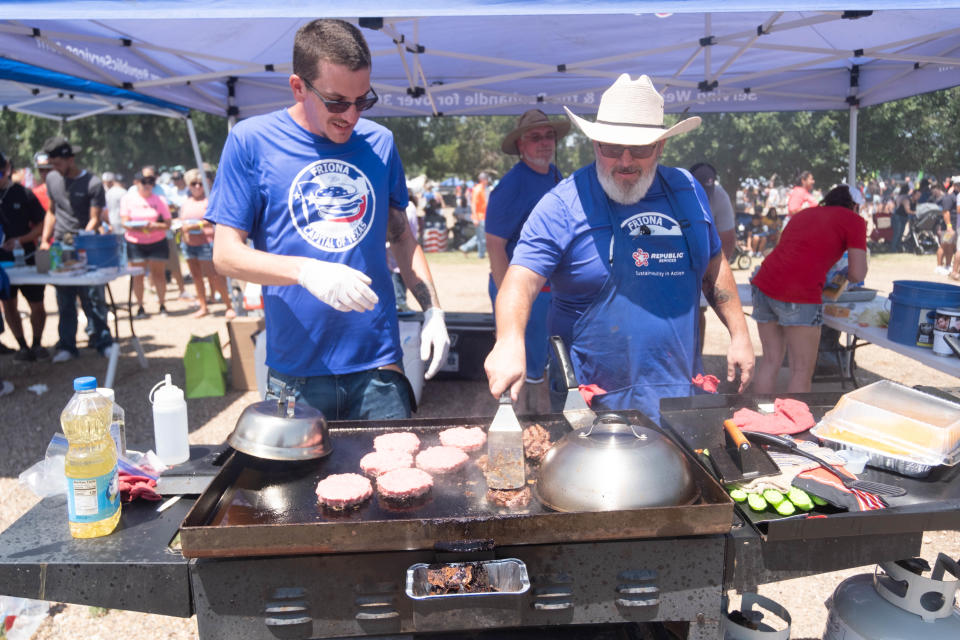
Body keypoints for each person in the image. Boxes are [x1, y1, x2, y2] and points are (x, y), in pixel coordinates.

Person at [207, 18, 450, 420]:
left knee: (394, 481)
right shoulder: (251, 141)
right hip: (297, 374)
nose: (351, 116)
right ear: (298, 87)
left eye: (363, 101)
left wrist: (433, 310)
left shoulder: (379, 144)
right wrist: (306, 271)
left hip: (378, 368)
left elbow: (402, 237)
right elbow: (225, 255)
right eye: (337, 102)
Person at [484, 74, 754, 423]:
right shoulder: (563, 204)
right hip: (591, 403)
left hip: (678, 395)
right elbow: (520, 280)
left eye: (639, 149)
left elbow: (714, 265)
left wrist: (740, 333)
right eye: (612, 148)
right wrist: (508, 340)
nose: (625, 161)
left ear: (660, 146)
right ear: (596, 144)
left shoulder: (687, 190)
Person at [485, 109, 570, 412]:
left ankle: (540, 423)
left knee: (545, 365)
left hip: (549, 294)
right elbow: (495, 245)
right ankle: (526, 428)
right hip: (524, 295)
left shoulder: (554, 175)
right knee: (523, 369)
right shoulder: (512, 185)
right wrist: (507, 298)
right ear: (521, 145)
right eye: (535, 137)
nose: (544, 142)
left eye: (549, 136)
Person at [750, 185, 867, 394]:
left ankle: (759, 415)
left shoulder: (805, 214)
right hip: (799, 293)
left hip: (765, 283)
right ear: (855, 206)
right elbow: (858, 274)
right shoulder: (854, 220)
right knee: (801, 370)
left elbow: (790, 249)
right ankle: (795, 424)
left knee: (770, 360)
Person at [38, 136, 113, 362]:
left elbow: (95, 219)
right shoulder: (51, 178)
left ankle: (102, 340)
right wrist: (45, 240)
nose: (54, 169)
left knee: (94, 296)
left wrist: (81, 238)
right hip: (60, 246)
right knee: (64, 297)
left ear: (70, 159)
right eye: (51, 164)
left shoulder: (92, 183)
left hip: (87, 246)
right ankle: (67, 346)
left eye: (58, 164)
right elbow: (52, 211)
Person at [0, 152, 48, 361]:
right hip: (3, 265)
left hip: (28, 258)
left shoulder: (24, 194)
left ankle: (37, 344)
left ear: (8, 169)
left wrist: (21, 239)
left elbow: (42, 224)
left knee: (36, 304)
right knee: (9, 304)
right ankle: (22, 346)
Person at [179, 168, 234, 318]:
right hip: (189, 243)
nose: (197, 187)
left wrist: (197, 226)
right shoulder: (186, 203)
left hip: (207, 242)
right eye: (193, 183)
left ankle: (228, 305)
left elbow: (215, 220)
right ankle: (203, 306)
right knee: (196, 277)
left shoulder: (209, 200)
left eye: (200, 183)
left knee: (214, 276)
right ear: (188, 185)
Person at [121, 167, 172, 318]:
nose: (148, 184)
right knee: (138, 276)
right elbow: (125, 222)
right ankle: (140, 306)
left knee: (159, 274)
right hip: (135, 242)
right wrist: (138, 226)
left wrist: (154, 226)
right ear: (136, 182)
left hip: (157, 241)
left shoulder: (160, 200)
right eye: (144, 181)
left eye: (151, 181)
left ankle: (162, 304)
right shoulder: (128, 199)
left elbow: (168, 224)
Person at [689, 162, 736, 260]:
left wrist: (717, 270)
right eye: (700, 191)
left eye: (707, 191)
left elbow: (728, 239)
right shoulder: (677, 195)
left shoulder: (720, 196)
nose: (705, 197)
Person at [459, 172, 489, 257]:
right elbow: (473, 204)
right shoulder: (478, 189)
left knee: (481, 235)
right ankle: (481, 254)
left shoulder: (483, 189)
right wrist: (475, 217)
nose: (487, 181)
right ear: (482, 180)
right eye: (486, 179)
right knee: (482, 237)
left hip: (484, 216)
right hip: (479, 216)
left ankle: (465, 247)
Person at [937, 180, 957, 275]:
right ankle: (939, 266)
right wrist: (949, 226)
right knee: (944, 245)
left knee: (951, 246)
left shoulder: (955, 197)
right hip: (948, 227)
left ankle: (948, 265)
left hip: (954, 226)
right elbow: (945, 212)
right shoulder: (949, 197)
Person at [891, 183, 916, 253]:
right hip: (900, 216)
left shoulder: (898, 196)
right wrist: (915, 212)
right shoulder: (906, 198)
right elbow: (907, 210)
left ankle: (896, 248)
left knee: (898, 233)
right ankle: (894, 248)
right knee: (898, 233)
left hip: (897, 215)